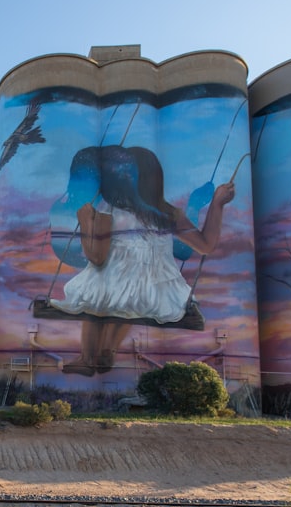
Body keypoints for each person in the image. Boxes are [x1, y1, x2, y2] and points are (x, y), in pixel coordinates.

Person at [49, 145, 234, 376]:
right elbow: (206, 245)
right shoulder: (170, 213)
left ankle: (87, 358)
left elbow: (96, 257)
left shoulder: (109, 208)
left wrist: (86, 221)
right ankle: (108, 349)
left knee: (94, 289)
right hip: (160, 294)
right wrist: (217, 204)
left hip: (116, 289)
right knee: (129, 297)